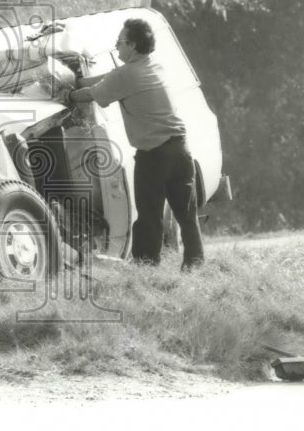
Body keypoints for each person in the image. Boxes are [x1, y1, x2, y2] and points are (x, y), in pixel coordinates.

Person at [65, 19, 203, 268]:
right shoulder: (153, 66)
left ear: (133, 45)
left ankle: (146, 268)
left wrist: (65, 93)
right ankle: (195, 265)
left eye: (120, 41)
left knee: (149, 215)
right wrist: (76, 80)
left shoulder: (126, 74)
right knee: (186, 214)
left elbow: (91, 94)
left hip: (155, 155)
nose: (116, 45)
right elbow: (108, 78)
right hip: (180, 150)